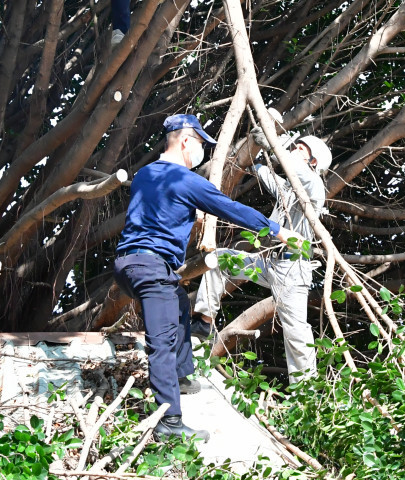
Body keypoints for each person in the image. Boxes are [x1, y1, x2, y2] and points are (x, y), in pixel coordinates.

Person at [114, 114, 302, 441]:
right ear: (185, 140)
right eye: (201, 143)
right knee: (160, 342)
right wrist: (278, 230)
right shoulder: (187, 181)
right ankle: (169, 424)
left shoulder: (145, 174)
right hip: (151, 267)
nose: (202, 151)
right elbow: (231, 209)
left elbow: (160, 208)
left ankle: (184, 376)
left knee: (179, 306)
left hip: (127, 266)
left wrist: (192, 211)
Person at [192, 132, 332, 383]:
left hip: (293, 269)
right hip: (270, 261)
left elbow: (291, 168)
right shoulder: (289, 189)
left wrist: (274, 144)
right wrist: (253, 152)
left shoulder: (313, 187)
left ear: (313, 162)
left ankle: (306, 394)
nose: (294, 149)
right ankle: (203, 322)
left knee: (296, 333)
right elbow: (268, 175)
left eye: (300, 148)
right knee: (221, 260)